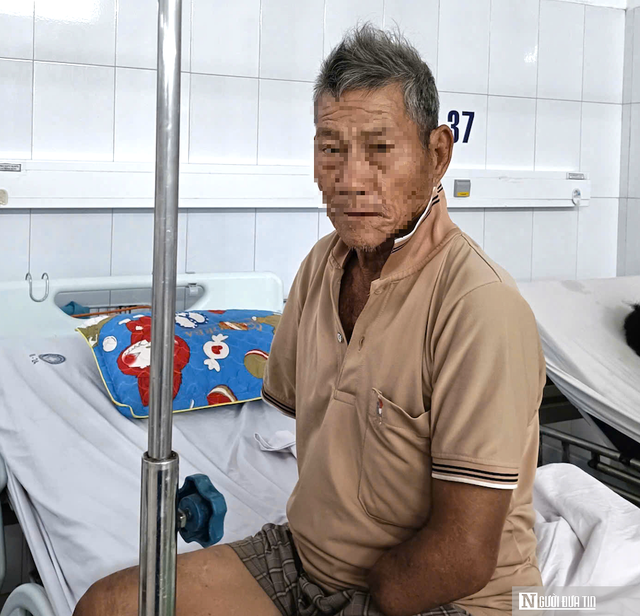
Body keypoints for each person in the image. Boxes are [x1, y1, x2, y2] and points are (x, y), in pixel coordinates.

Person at [74, 25, 545, 616]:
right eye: (331, 149)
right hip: (306, 563)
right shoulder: (322, 268)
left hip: (433, 595)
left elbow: (461, 556)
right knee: (108, 606)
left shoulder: (478, 305)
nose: (351, 179)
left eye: (380, 149)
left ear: (437, 155)